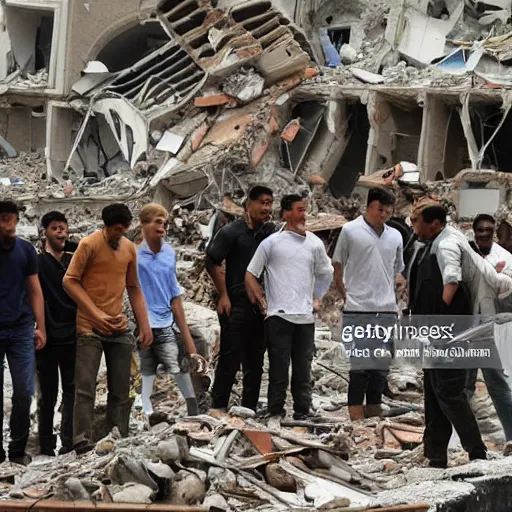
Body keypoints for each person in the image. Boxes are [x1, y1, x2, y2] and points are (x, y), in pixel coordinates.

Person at [63, 203, 152, 454]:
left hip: (118, 325)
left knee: (121, 387)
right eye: (115, 230)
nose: (119, 234)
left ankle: (118, 435)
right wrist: (95, 313)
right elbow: (69, 281)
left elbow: (133, 287)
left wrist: (145, 325)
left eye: (123, 230)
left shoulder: (128, 249)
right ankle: (81, 439)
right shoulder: (88, 245)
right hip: (89, 326)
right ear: (106, 226)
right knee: (85, 387)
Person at [408, 203, 487, 468]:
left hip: (448, 332)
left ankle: (477, 451)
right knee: (433, 390)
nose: (413, 225)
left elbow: (452, 283)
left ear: (435, 223)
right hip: (433, 331)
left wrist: (441, 318)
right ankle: (436, 454)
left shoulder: (446, 245)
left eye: (417, 220)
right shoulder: (430, 244)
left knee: (449, 391)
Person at [245, 194, 333, 420]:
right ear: (286, 213)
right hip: (279, 316)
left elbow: (326, 272)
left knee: (303, 369)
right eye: (299, 210)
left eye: (305, 210)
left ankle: (302, 410)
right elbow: (251, 274)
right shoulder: (271, 243)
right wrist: (260, 298)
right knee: (278, 368)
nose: (304, 215)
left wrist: (316, 297)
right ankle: (276, 409)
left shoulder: (314, 243)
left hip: (305, 317)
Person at [332, 187, 405, 421]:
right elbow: (338, 266)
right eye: (379, 209)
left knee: (380, 367)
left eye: (388, 210)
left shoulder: (395, 236)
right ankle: (355, 416)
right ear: (369, 206)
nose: (383, 214)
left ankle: (374, 413)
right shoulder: (350, 231)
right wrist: (346, 295)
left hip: (386, 310)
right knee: (360, 366)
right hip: (358, 309)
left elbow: (397, 269)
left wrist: (396, 289)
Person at [206, 185, 275, 414]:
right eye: (262, 203)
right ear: (249, 205)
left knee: (256, 360)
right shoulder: (231, 232)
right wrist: (223, 294)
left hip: (261, 307)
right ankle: (218, 406)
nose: (267, 208)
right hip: (235, 303)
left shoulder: (269, 234)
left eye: (269, 203)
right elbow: (212, 261)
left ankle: (249, 408)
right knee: (230, 356)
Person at [136, 203, 206, 420]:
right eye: (157, 221)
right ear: (143, 224)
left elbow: (174, 296)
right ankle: (147, 412)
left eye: (165, 223)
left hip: (167, 318)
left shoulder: (168, 254)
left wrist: (187, 337)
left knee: (193, 347)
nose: (162, 227)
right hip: (145, 321)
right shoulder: (134, 256)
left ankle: (195, 407)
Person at [0, 200, 46, 465]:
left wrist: (41, 327)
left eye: (10, 219)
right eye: (2, 219)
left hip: (20, 329)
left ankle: (17, 451)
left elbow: (35, 289)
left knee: (24, 391)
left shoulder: (26, 250)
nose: (7, 225)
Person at [467, 213, 512, 443]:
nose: (484, 234)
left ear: (494, 232)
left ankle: (511, 437)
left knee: (497, 385)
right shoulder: (465, 251)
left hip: (488, 329)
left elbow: (508, 296)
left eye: (488, 230)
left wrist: (496, 277)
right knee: (462, 386)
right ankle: (459, 440)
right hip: (464, 328)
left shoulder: (505, 257)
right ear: (474, 231)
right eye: (480, 230)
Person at [37, 211, 77, 456]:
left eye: (63, 228)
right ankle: (45, 445)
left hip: (73, 335)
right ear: (45, 233)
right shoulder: (39, 263)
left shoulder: (73, 261)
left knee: (72, 391)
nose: (61, 232)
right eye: (55, 228)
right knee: (48, 394)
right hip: (48, 338)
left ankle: (69, 441)